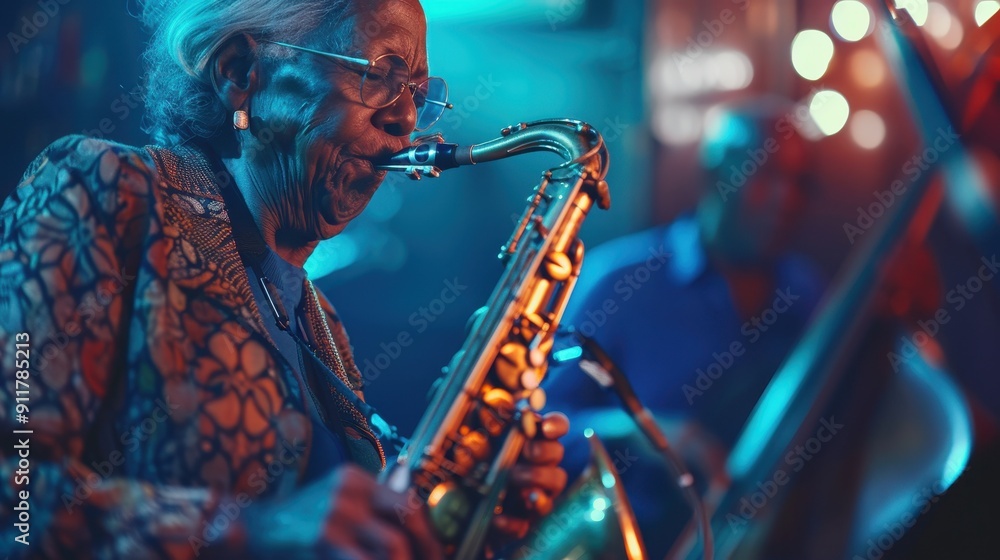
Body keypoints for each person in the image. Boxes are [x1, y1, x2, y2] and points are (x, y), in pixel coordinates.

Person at [0, 1, 568, 558]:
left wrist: (463, 522)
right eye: (380, 75)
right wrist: (245, 532)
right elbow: (13, 499)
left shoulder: (324, 325)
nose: (405, 120)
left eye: (417, 92)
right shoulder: (106, 190)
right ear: (241, 74)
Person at [542, 98, 825, 556]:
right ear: (716, 176)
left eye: (799, 182)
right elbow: (540, 419)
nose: (785, 199)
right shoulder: (620, 279)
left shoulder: (805, 290)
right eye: (766, 175)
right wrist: (638, 429)